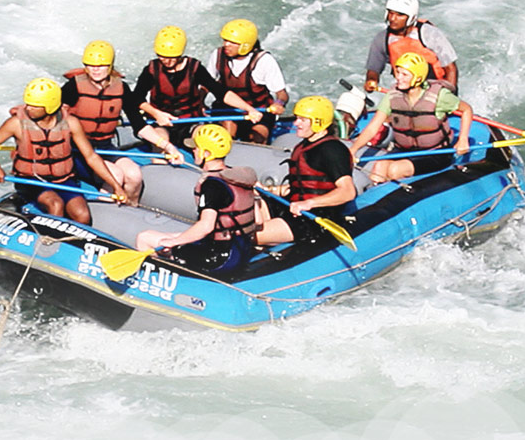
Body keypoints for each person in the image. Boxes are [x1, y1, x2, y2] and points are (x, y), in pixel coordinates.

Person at [0, 77, 125, 224]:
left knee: (82, 215)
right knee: (56, 204)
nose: (28, 108)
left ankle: (73, 243)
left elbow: (91, 156)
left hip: (63, 179)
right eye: (28, 104)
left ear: (50, 106)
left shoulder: (71, 123)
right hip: (31, 181)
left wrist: (116, 186)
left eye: (35, 106)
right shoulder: (16, 124)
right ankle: (49, 242)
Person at [134, 124, 268, 272]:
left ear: (206, 153)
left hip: (218, 258)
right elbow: (259, 220)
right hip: (241, 250)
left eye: (196, 148)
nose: (193, 151)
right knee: (161, 236)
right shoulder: (237, 177)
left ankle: (168, 280)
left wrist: (173, 242)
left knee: (145, 238)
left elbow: (206, 226)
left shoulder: (212, 185)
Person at [351, 52, 474, 185]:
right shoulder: (393, 96)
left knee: (394, 170)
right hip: (404, 150)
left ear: (418, 78)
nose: (398, 78)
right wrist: (353, 150)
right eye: (397, 72)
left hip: (435, 153)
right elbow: (372, 128)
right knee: (378, 169)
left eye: (404, 74)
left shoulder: (439, 96)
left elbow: (467, 110)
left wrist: (463, 140)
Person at [257, 95, 357, 246]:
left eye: (302, 120)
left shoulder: (333, 150)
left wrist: (309, 204)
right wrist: (269, 190)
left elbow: (348, 191)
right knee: (241, 219)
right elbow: (303, 185)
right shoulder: (303, 146)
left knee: (251, 235)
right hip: (292, 206)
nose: (296, 123)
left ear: (319, 122)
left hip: (315, 215)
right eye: (297, 118)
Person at [61, 40, 145, 202]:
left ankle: (132, 211)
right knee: (116, 175)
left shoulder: (122, 88)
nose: (96, 69)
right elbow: (54, 118)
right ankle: (108, 209)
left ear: (110, 66)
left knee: (134, 175)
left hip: (105, 147)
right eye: (91, 65)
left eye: (101, 65)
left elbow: (138, 124)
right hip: (78, 151)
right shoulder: (72, 87)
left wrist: (166, 146)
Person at [126, 26, 228, 160]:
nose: (166, 61)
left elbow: (219, 91)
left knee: (206, 141)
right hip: (162, 123)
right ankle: (159, 169)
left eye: (171, 57)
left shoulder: (195, 68)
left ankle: (207, 173)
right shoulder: (151, 70)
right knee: (160, 144)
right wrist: (157, 114)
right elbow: (136, 99)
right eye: (162, 57)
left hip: (191, 121)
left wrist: (249, 110)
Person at [208, 19, 289, 144]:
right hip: (228, 110)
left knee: (258, 139)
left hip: (259, 111)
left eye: (232, 42)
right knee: (227, 133)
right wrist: (200, 103)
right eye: (225, 40)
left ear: (245, 45)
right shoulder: (217, 55)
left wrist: (279, 103)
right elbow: (206, 84)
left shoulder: (264, 60)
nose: (226, 45)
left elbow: (281, 93)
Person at [363, 0, 459, 94]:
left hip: (437, 90)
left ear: (411, 17)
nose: (393, 18)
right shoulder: (382, 39)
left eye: (400, 15)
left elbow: (451, 69)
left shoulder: (429, 34)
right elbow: (373, 71)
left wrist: (448, 96)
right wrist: (371, 81)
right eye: (390, 13)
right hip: (407, 92)